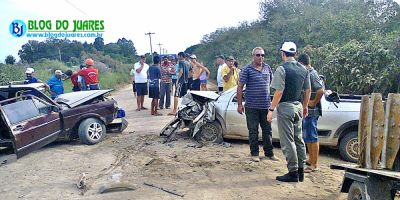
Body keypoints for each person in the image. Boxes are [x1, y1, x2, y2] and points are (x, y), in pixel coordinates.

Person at [267, 42, 311, 182]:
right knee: (299, 139)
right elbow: (308, 90)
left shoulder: (282, 69)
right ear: (295, 53)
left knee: (288, 141)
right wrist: (305, 106)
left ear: (283, 53)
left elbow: (279, 92)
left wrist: (271, 109)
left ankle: (292, 172)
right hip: (298, 106)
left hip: (286, 107)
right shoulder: (304, 69)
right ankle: (301, 171)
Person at [237, 47, 280, 163]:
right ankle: (254, 153)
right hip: (251, 106)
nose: (260, 57)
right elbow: (240, 86)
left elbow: (272, 85)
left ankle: (269, 153)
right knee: (253, 131)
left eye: (262, 55)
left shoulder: (267, 68)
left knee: (267, 130)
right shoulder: (247, 69)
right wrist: (239, 104)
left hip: (266, 106)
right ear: (253, 56)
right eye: (258, 55)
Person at [298, 53, 324, 173]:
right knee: (308, 135)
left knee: (312, 136)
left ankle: (314, 164)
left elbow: (320, 91)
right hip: (308, 110)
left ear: (302, 63)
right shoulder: (309, 73)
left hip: (312, 111)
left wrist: (313, 102)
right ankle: (310, 159)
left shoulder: (312, 74)